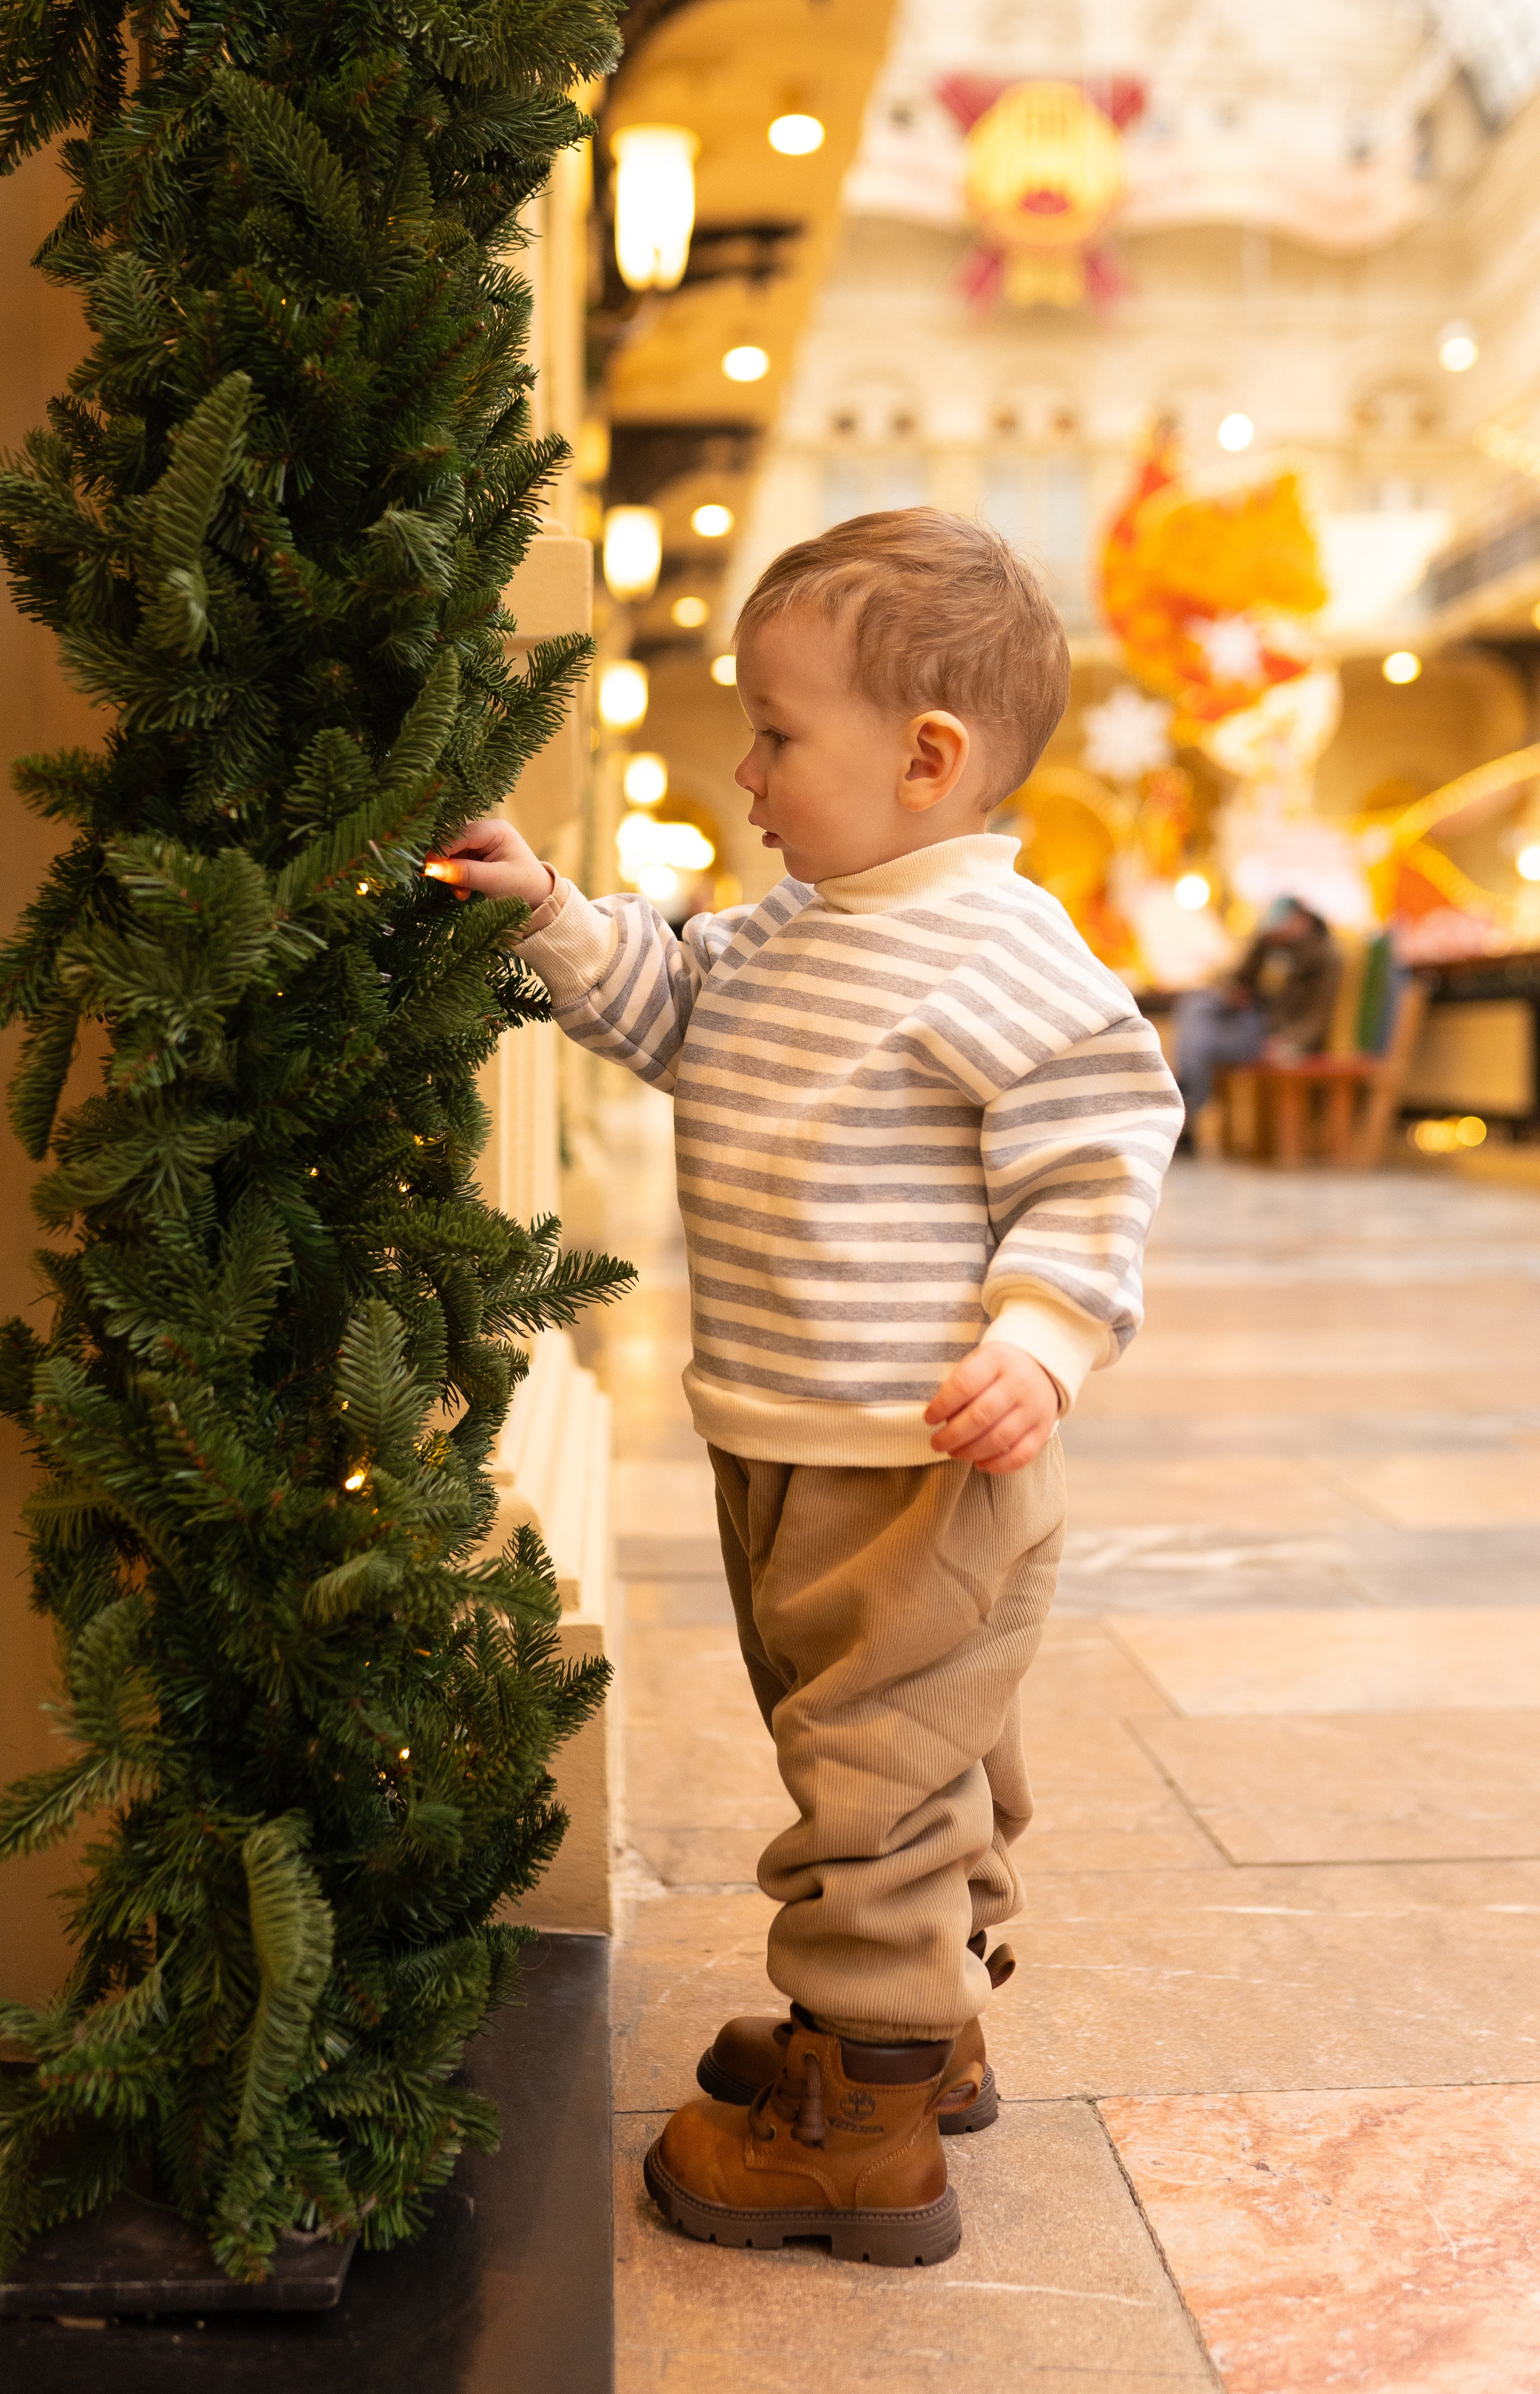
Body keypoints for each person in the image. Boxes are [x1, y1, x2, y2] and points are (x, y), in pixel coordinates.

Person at [425, 508, 1181, 2267]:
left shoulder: (1004, 960)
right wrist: (547, 908)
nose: (746, 768)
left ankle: (861, 2126)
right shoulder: (787, 937)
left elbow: (1099, 1153)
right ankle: (919, 2016)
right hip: (786, 1431)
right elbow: (668, 1004)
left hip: (920, 1455)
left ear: (930, 759)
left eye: (777, 730)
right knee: (900, 1743)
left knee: (868, 1772)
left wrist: (1042, 1337)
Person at [1173, 896, 1342, 1126]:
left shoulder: (1325, 957)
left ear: (1301, 920)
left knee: (1203, 1041)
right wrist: (1233, 991)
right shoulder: (1268, 944)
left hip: (1273, 1033)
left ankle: (1188, 1102)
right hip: (1247, 1017)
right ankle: (1189, 1101)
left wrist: (1287, 1043)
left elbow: (1318, 1017)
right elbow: (1238, 978)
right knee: (1196, 1005)